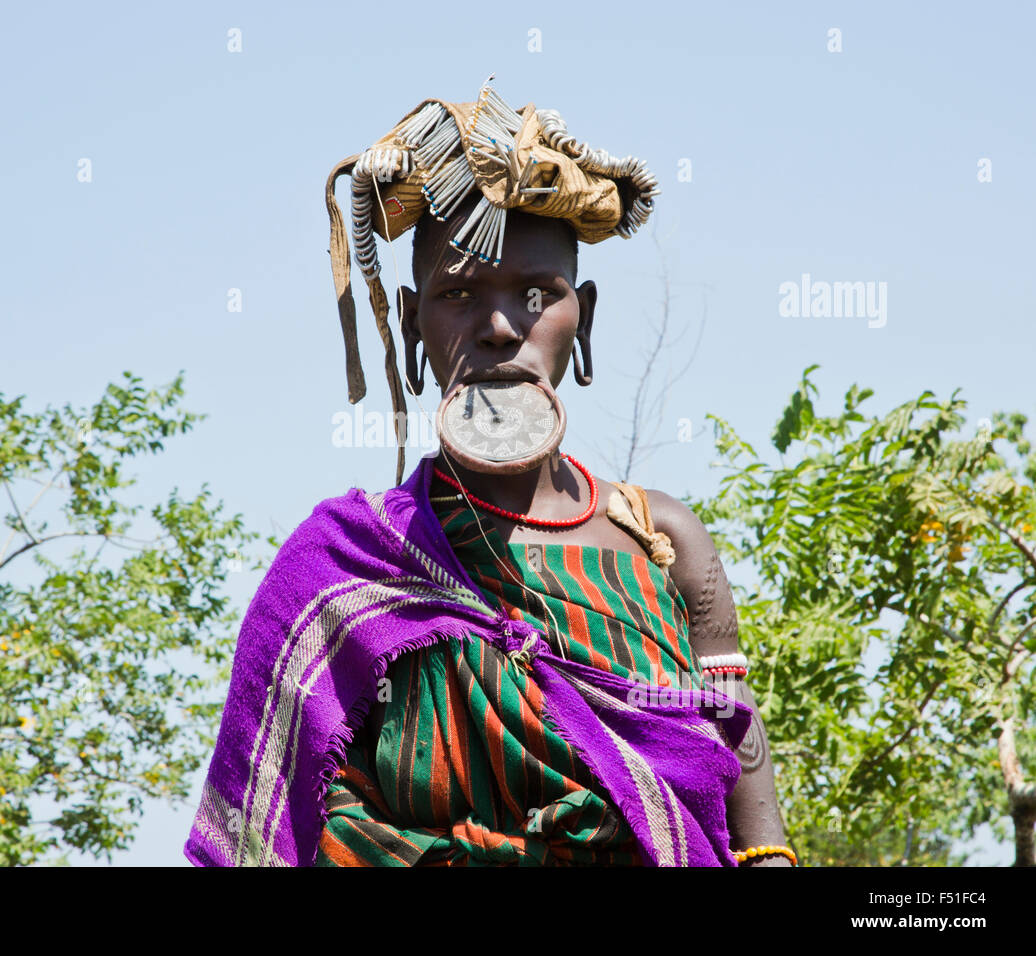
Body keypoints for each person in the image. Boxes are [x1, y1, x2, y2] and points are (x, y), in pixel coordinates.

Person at [185, 79, 792, 867]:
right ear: (412, 324)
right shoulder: (344, 562)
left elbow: (734, 739)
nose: (502, 326)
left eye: (539, 294)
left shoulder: (662, 538)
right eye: (459, 293)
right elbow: (276, 827)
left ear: (586, 320)